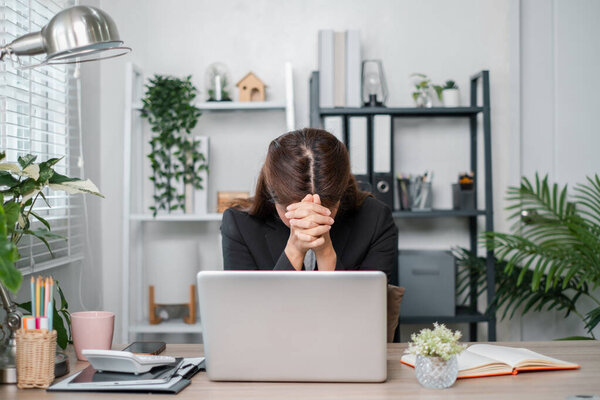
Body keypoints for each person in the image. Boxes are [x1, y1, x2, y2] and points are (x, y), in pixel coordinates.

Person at [221, 128, 398, 281]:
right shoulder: (239, 224)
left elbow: (370, 313)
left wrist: (326, 253)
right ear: (272, 195)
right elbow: (248, 314)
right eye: (292, 210)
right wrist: (294, 252)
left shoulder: (375, 219)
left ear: (340, 196)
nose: (309, 219)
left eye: (324, 209)